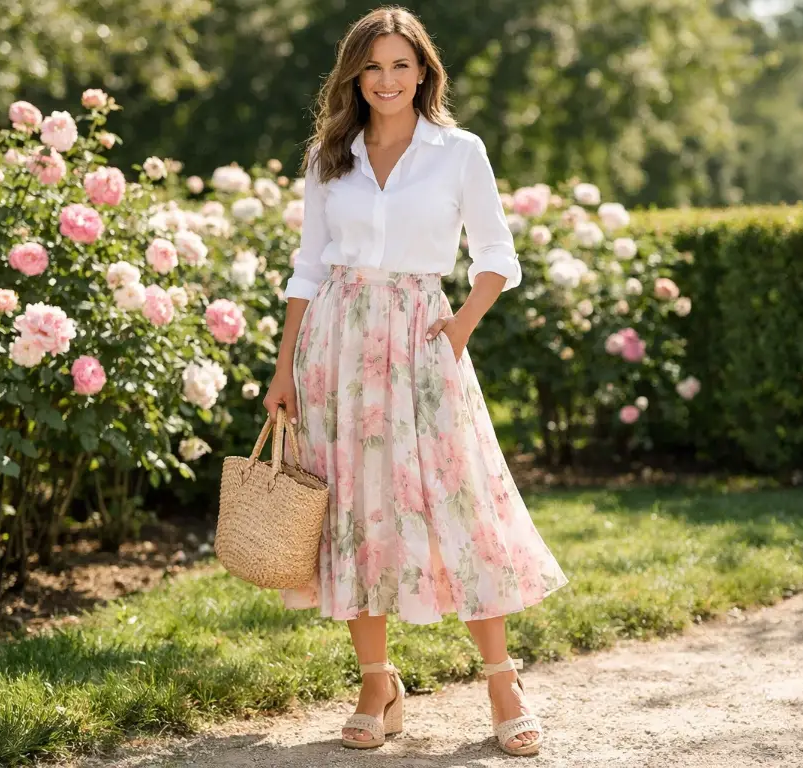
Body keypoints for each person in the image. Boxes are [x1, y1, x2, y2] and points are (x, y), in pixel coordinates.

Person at [263, 6, 567, 757]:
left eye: (402, 65)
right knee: (356, 516)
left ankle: (503, 682)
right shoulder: (330, 156)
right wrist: (283, 367)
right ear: (354, 76)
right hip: (335, 346)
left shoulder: (458, 152)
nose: (387, 80)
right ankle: (378, 684)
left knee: (455, 504)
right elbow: (308, 266)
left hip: (423, 341)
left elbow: (498, 254)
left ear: (424, 71)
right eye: (372, 67)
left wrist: (460, 326)